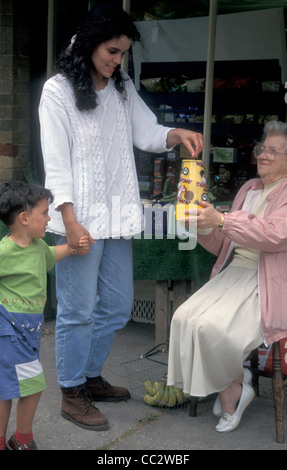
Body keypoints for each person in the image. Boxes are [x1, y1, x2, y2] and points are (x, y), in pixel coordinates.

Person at [38, 2, 204, 432]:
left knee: (116, 306)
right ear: (91, 44)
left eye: (122, 53)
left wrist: (175, 133)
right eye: (112, 51)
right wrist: (70, 222)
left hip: (116, 217)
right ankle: (72, 392)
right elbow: (56, 165)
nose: (116, 60)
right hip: (78, 220)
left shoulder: (122, 88)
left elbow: (147, 132)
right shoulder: (57, 92)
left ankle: (89, 376)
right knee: (77, 311)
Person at [167, 120, 287, 433]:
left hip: (265, 283)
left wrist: (221, 219)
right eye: (263, 149)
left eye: (275, 151)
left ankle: (233, 387)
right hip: (231, 272)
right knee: (182, 318)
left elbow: (274, 235)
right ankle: (237, 380)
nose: (264, 155)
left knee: (209, 327)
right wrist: (204, 224)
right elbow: (224, 242)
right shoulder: (248, 189)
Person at [0, 181, 90, 450]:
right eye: (44, 213)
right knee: (30, 385)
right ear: (24, 219)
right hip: (9, 329)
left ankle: (12, 440)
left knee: (12, 388)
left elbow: (50, 255)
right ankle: (22, 439)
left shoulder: (38, 246)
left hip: (29, 330)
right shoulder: (5, 251)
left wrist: (72, 249)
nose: (50, 218)